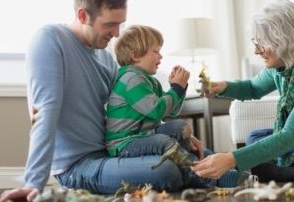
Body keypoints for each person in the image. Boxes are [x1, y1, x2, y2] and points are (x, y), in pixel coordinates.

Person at [0, 0, 183, 202]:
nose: (117, 33)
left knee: (181, 136)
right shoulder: (50, 40)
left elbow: (131, 111)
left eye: (120, 24)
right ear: (83, 15)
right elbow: (43, 112)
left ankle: (224, 176)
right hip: (77, 166)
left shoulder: (106, 59)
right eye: (110, 24)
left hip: (109, 154)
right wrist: (33, 182)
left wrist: (172, 132)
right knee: (167, 171)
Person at [191, 0, 294, 183]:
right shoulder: (287, 62)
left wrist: (231, 159)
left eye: (261, 44)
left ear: (285, 42)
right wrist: (224, 87)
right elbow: (253, 88)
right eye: (255, 42)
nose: (256, 51)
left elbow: (291, 134)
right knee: (254, 137)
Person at [106, 25, 248, 188]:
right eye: (156, 51)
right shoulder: (131, 79)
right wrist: (176, 88)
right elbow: (156, 110)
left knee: (180, 127)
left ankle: (219, 165)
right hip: (125, 143)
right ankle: (211, 177)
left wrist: (178, 88)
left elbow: (170, 113)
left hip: (143, 135)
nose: (160, 56)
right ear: (136, 54)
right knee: (163, 141)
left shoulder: (148, 80)